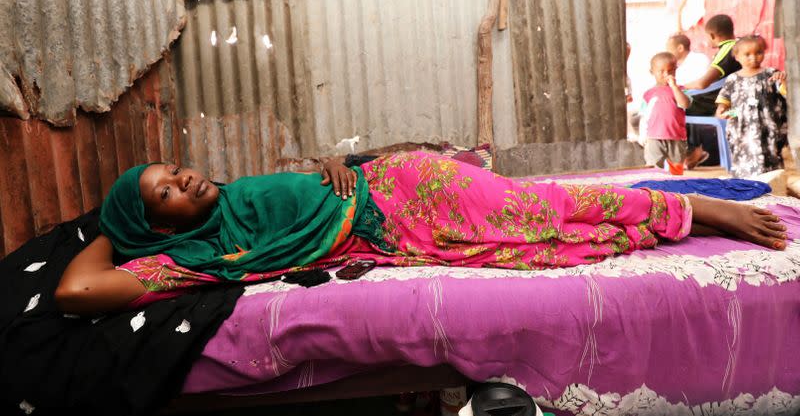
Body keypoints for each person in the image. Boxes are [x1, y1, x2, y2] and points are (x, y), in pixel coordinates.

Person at [55, 152, 788, 315]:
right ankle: (679, 210)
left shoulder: (236, 194)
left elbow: (319, 178)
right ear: (155, 223)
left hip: (405, 184)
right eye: (165, 192)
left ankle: (693, 206)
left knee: (535, 208)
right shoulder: (194, 255)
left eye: (176, 169)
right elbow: (76, 289)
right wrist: (109, 232)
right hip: (396, 235)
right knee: (535, 239)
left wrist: (334, 165)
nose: (184, 178)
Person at [715, 35, 788, 178]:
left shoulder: (771, 74)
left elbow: (784, 92)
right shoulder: (733, 79)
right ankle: (746, 186)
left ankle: (771, 185)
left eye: (758, 52)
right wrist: (722, 110)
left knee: (770, 155)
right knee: (744, 155)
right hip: (741, 127)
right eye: (747, 54)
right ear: (736, 57)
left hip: (768, 126)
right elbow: (724, 101)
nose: (753, 57)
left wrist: (784, 81)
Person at [683, 14, 742, 168]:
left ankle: (694, 151)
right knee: (688, 103)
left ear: (712, 35)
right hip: (737, 101)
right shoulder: (739, 45)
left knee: (681, 106)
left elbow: (703, 83)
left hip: (726, 104)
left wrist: (682, 86)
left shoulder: (727, 49)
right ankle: (696, 150)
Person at [641, 52, 691, 169]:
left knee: (676, 167)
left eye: (671, 70)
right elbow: (644, 115)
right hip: (654, 136)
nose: (667, 74)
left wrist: (674, 87)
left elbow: (685, 104)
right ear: (652, 72)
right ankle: (653, 186)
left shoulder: (681, 90)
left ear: (676, 70)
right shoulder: (648, 94)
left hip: (677, 136)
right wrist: (642, 134)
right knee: (653, 166)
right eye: (661, 71)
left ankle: (674, 186)